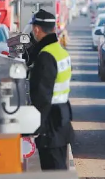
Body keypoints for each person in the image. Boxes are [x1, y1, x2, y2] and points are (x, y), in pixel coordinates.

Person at [28, 9, 75, 170]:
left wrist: (34, 127)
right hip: (62, 119)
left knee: (52, 169)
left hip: (50, 123)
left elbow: (42, 95)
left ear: (36, 29)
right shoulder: (61, 51)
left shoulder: (46, 55)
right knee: (60, 168)